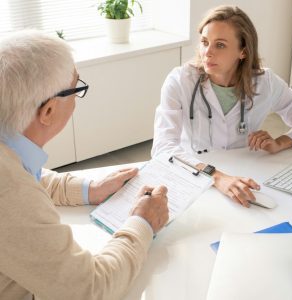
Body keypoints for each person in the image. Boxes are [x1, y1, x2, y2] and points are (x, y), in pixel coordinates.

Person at [0, 30, 169, 300]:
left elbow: (27, 175)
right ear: (48, 112)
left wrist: (92, 188)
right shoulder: (10, 193)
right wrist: (143, 223)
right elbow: (90, 289)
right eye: (77, 88)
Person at [152, 5, 292, 208]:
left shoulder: (266, 82)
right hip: (194, 173)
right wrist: (217, 177)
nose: (207, 53)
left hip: (246, 173)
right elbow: (163, 148)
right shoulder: (180, 81)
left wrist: (281, 142)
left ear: (243, 52)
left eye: (220, 45)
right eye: (205, 42)